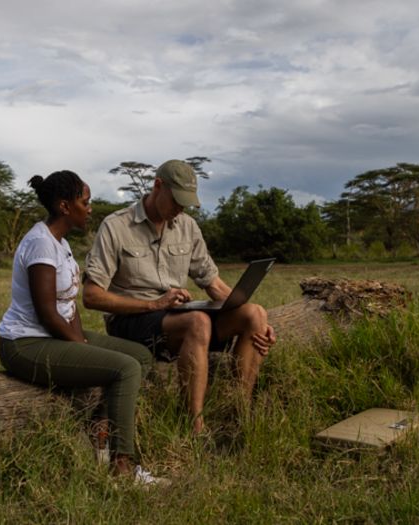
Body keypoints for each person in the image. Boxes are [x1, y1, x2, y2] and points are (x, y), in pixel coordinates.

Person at [83, 159, 276, 434]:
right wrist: (154, 304)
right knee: (197, 322)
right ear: (157, 186)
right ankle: (195, 427)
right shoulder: (116, 226)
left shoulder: (187, 227)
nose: (180, 209)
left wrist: (259, 323)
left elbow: (213, 284)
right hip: (131, 321)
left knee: (254, 314)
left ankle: (239, 415)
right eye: (176, 201)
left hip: (174, 318)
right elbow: (91, 296)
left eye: (186, 203)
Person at [0, 170, 165, 484]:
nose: (90, 208)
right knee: (126, 369)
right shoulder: (40, 245)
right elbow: (47, 313)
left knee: (139, 356)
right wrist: (79, 347)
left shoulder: (60, 244)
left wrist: (81, 343)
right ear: (64, 206)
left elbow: (69, 304)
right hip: (25, 344)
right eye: (84, 202)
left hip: (52, 336)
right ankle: (122, 467)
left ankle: (98, 428)